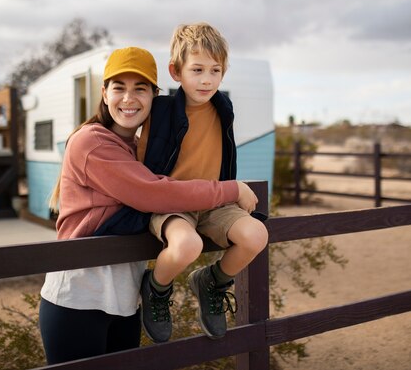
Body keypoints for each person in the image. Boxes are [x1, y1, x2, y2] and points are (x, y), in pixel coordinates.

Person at [38, 46, 259, 364]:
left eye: (140, 89)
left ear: (154, 96)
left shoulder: (142, 149)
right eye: (119, 88)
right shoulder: (92, 141)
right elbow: (154, 194)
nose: (128, 99)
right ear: (104, 93)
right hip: (79, 298)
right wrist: (230, 189)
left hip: (125, 300)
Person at [136, 23, 269, 343]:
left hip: (214, 203)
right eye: (196, 69)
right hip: (173, 204)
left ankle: (212, 281)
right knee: (186, 245)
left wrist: (232, 189)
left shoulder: (224, 108)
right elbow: (140, 159)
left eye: (215, 70)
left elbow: (223, 154)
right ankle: (156, 288)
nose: (207, 79)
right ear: (176, 71)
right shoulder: (160, 109)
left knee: (256, 235)